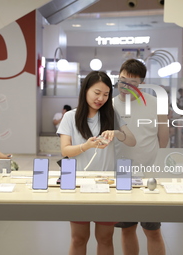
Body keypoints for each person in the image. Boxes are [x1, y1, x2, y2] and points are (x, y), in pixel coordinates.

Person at [57, 71, 136, 255]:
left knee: (105, 238)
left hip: (106, 184)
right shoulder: (70, 116)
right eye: (97, 92)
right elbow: (65, 150)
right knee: (78, 238)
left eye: (106, 94)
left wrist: (117, 133)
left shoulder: (111, 115)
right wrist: (85, 146)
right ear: (85, 90)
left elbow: (132, 140)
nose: (101, 98)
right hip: (77, 184)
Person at [113, 59, 168, 255]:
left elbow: (163, 138)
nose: (125, 86)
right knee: (127, 229)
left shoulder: (155, 104)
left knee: (152, 230)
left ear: (142, 84)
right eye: (122, 80)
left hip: (149, 175)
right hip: (122, 174)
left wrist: (156, 165)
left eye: (132, 82)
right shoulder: (110, 106)